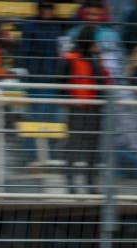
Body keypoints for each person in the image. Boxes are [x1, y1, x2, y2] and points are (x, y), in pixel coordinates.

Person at [61, 25, 109, 192]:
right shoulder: (70, 58)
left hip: (94, 108)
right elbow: (59, 83)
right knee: (74, 146)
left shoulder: (96, 58)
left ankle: (90, 183)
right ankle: (71, 183)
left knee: (92, 148)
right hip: (78, 108)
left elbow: (103, 81)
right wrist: (70, 101)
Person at [16, 0, 64, 166]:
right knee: (36, 116)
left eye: (49, 6)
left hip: (52, 79)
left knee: (51, 117)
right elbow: (24, 52)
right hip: (35, 78)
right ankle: (32, 156)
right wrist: (25, 74)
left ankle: (48, 155)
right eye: (43, 6)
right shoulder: (30, 25)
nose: (46, 10)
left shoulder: (56, 27)